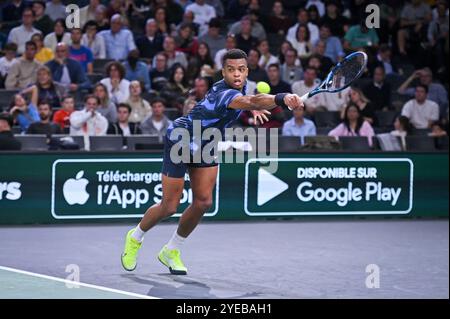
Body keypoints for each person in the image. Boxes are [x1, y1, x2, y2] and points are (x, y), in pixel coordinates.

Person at [120, 48, 303, 275]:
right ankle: (135, 237)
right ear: (223, 72)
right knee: (169, 206)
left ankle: (171, 250)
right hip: (182, 137)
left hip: (206, 143)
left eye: (242, 70)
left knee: (204, 202)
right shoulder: (223, 93)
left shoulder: (239, 87)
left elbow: (249, 101)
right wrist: (280, 98)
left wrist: (255, 108)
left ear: (247, 72)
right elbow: (248, 100)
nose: (237, 74)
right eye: (231, 70)